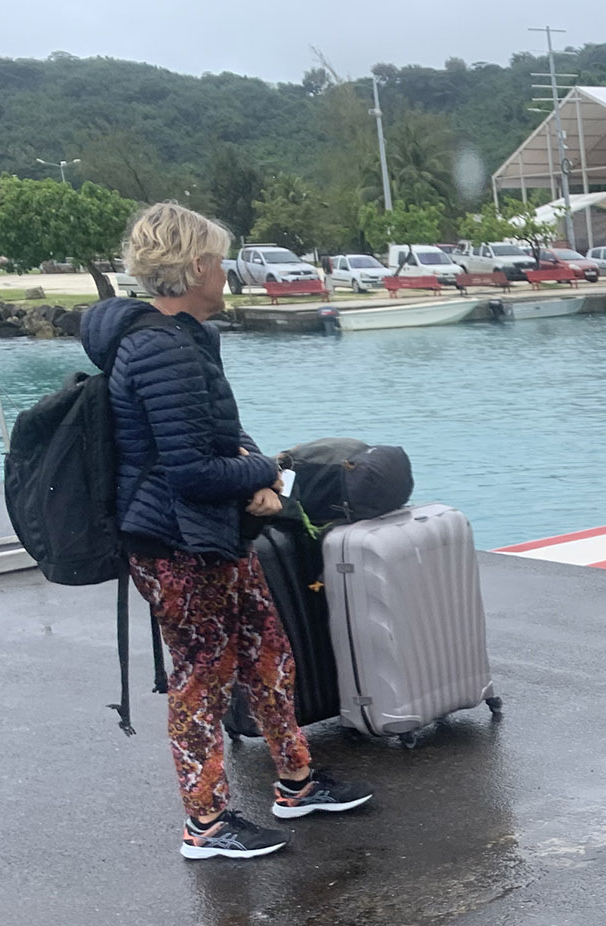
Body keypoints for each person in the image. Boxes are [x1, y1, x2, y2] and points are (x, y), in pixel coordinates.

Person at [80, 201, 372, 860]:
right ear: (192, 266)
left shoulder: (187, 339)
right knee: (200, 682)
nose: (226, 271)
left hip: (213, 535)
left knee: (269, 655)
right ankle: (205, 823)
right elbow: (189, 471)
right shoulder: (159, 348)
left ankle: (295, 782)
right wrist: (272, 469)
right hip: (176, 545)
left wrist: (257, 473)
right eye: (217, 258)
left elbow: (221, 436)